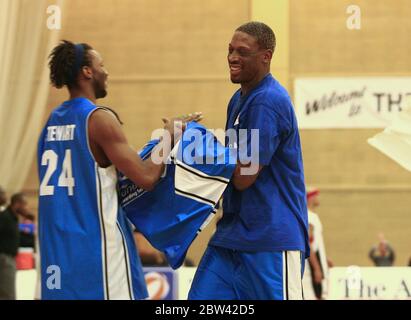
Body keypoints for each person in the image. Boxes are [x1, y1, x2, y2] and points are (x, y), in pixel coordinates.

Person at [37, 40, 201, 299]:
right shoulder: (98, 118)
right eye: (101, 65)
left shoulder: (51, 121)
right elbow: (146, 177)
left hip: (57, 253)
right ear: (87, 72)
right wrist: (169, 135)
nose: (107, 72)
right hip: (97, 249)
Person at [188, 22, 309, 300]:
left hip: (270, 240)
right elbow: (227, 163)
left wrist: (193, 143)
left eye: (242, 52)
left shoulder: (267, 101)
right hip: (231, 236)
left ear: (265, 56)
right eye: (230, 50)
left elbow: (243, 175)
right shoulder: (238, 99)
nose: (232, 57)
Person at [302, 187, 333, 300]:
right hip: (312, 266)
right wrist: (316, 268)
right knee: (317, 296)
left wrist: (325, 259)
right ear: (310, 198)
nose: (317, 198)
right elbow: (309, 244)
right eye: (315, 195)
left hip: (318, 261)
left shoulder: (312, 216)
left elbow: (315, 243)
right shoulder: (309, 217)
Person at [0, 193, 30, 299]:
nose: (27, 208)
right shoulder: (4, 217)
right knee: (8, 295)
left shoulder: (14, 218)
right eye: (25, 204)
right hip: (4, 259)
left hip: (9, 258)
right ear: (17, 204)